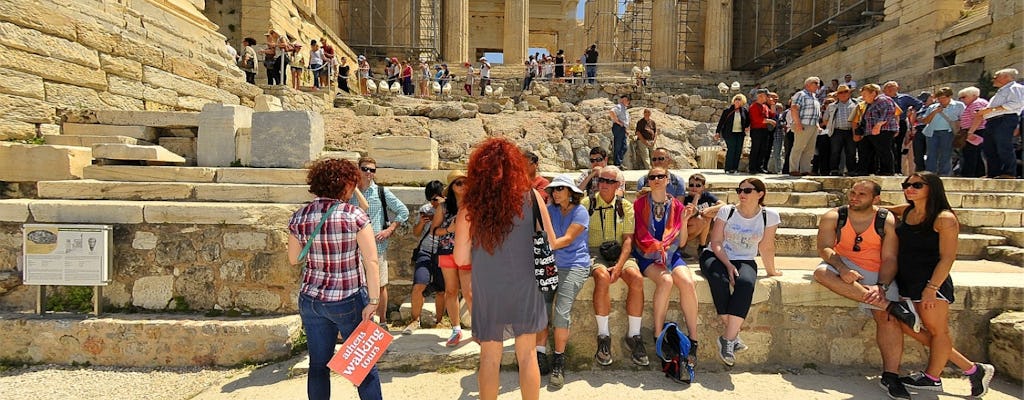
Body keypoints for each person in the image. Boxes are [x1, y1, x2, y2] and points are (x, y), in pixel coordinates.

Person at [453, 137, 551, 400]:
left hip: (489, 287)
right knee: (528, 354)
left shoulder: (470, 208)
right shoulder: (533, 198)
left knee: (489, 357)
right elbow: (549, 242)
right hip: (526, 284)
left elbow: (460, 256)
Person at [886, 172, 996, 398]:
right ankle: (973, 369)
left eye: (917, 185)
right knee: (910, 326)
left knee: (937, 332)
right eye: (906, 184)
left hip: (930, 283)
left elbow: (948, 257)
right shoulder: (907, 211)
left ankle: (933, 377)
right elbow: (884, 210)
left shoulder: (944, 218)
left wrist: (931, 289)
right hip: (906, 280)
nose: (910, 188)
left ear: (932, 188)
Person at [812, 180, 922, 399]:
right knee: (821, 273)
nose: (854, 197)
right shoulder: (835, 216)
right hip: (841, 263)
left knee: (887, 320)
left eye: (862, 194)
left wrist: (882, 286)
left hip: (875, 269)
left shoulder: (885, 219)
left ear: (876, 199)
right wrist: (843, 269)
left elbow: (890, 258)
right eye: (853, 192)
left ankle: (891, 376)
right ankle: (892, 306)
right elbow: (824, 248)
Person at [288, 158, 382, 400]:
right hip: (347, 298)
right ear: (347, 185)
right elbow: (371, 261)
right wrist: (373, 301)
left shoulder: (300, 216)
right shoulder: (354, 216)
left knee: (318, 366)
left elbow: (293, 259)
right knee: (364, 367)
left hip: (311, 299)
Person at [699, 178, 781, 366]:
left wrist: (771, 270)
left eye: (747, 190)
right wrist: (728, 266)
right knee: (719, 278)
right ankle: (733, 336)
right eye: (739, 190)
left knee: (745, 283)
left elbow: (767, 246)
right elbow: (716, 242)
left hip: (745, 259)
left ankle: (727, 338)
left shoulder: (770, 216)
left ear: (760, 194)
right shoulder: (727, 211)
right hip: (716, 255)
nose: (741, 194)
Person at [583, 166, 648, 367]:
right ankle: (604, 336)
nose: (603, 184)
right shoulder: (587, 204)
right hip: (595, 252)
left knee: (636, 279)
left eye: (609, 181)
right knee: (602, 277)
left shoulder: (625, 206)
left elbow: (628, 240)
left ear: (618, 185)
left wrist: (619, 266)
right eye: (601, 180)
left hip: (620, 252)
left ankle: (634, 335)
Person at [632, 166, 699, 362]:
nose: (656, 179)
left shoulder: (677, 207)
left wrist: (685, 221)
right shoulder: (640, 204)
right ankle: (658, 335)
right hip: (648, 254)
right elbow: (641, 235)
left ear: (668, 179)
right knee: (666, 281)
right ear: (648, 181)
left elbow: (683, 242)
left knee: (687, 283)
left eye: (661, 176)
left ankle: (694, 339)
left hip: (670, 254)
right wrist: (658, 247)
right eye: (652, 177)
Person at [536, 174, 591, 388]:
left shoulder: (580, 211)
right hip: (551, 264)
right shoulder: (550, 211)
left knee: (561, 311)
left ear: (571, 192)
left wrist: (542, 246)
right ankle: (540, 355)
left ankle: (559, 360)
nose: (556, 192)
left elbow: (566, 239)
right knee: (542, 307)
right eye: (554, 189)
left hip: (574, 265)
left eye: (560, 189)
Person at [350, 157, 410, 326]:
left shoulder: (380, 192)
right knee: (355, 287)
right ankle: (361, 323)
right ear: (358, 170)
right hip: (353, 247)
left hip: (377, 246)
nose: (369, 173)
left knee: (381, 285)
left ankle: (382, 322)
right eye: (365, 169)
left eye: (372, 170)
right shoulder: (351, 191)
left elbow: (403, 211)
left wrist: (389, 230)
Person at [402, 181, 448, 335]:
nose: (434, 202)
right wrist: (421, 223)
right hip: (426, 251)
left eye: (437, 198)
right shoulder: (425, 210)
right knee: (419, 285)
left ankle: (439, 320)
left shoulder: (451, 209)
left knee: (442, 290)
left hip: (444, 251)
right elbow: (416, 233)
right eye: (431, 199)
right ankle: (415, 320)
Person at [434, 170, 471, 346]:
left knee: (470, 292)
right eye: (458, 183)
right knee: (451, 290)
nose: (463, 186)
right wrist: (450, 229)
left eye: (465, 182)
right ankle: (456, 328)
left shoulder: (473, 205)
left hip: (468, 251)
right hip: (447, 250)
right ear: (451, 188)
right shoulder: (443, 207)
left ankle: (478, 328)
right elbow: (434, 231)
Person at [975, 68, 1024, 178]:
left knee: (1004, 146)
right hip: (993, 121)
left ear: (1006, 77)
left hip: (1005, 119)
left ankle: (1009, 173)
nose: (993, 79)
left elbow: (1016, 103)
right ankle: (993, 173)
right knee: (990, 147)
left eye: (996, 76)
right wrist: (984, 112)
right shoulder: (1000, 91)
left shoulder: (1015, 88)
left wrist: (990, 110)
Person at [917, 87, 965, 176]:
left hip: (948, 132)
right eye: (939, 98)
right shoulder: (932, 107)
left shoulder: (959, 105)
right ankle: (930, 173)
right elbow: (925, 121)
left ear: (950, 96)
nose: (941, 100)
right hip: (932, 132)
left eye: (943, 98)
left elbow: (963, 118)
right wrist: (935, 112)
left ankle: (945, 173)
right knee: (931, 154)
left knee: (946, 153)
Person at [859, 84, 899, 175]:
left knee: (884, 150)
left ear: (873, 93)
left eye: (865, 94)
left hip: (883, 130)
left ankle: (887, 171)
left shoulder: (883, 100)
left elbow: (888, 113)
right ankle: (866, 171)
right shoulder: (870, 104)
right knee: (867, 151)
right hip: (871, 132)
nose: (863, 97)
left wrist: (878, 125)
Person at [884, 81, 924, 174]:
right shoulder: (881, 99)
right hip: (884, 124)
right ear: (884, 90)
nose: (890, 88)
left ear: (897, 88)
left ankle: (897, 169)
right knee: (886, 147)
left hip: (900, 123)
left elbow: (919, 104)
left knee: (897, 147)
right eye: (888, 87)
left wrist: (912, 111)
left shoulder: (904, 98)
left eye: (893, 87)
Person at [682, 173, 724, 255]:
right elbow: (691, 212)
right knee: (703, 219)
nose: (694, 188)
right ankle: (685, 246)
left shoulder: (706, 195)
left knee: (707, 217)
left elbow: (723, 204)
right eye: (691, 185)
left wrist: (709, 209)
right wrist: (696, 197)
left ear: (703, 187)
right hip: (690, 225)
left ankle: (702, 246)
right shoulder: (686, 198)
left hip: (704, 223)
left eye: (698, 185)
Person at [789, 77, 822, 176]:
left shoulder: (814, 96)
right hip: (803, 124)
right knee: (798, 147)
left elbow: (814, 113)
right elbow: (794, 109)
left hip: (813, 126)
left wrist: (817, 125)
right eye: (815, 83)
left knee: (809, 149)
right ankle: (793, 169)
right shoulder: (801, 94)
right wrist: (798, 123)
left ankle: (805, 170)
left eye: (818, 83)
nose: (818, 85)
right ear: (807, 84)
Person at [823, 85, 858, 176]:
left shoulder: (856, 104)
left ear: (849, 93)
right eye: (840, 92)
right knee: (835, 151)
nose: (843, 94)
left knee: (851, 151)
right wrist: (831, 126)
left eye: (845, 91)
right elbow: (825, 119)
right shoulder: (831, 106)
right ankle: (834, 169)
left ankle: (851, 170)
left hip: (851, 131)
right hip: (837, 131)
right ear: (837, 94)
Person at [716, 94, 751, 174]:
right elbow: (721, 122)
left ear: (742, 102)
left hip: (740, 134)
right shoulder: (727, 110)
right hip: (729, 133)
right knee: (731, 150)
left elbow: (748, 121)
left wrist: (747, 126)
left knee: (738, 151)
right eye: (736, 99)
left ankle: (735, 168)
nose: (738, 101)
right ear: (734, 101)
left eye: (739, 100)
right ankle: (728, 168)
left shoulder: (744, 111)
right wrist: (717, 132)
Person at [960, 86, 989, 177]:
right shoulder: (973, 104)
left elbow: (978, 117)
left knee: (970, 154)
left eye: (964, 97)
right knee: (975, 154)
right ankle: (978, 173)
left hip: (976, 130)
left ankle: (969, 174)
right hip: (975, 130)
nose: (962, 99)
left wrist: (970, 132)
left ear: (973, 95)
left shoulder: (977, 103)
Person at [748, 89, 776, 174]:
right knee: (756, 148)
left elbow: (772, 114)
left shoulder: (765, 106)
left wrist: (773, 104)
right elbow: (757, 119)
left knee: (763, 149)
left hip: (764, 130)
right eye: (765, 95)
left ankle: (759, 167)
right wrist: (769, 121)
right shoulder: (754, 106)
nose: (767, 97)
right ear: (760, 96)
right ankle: (752, 168)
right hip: (756, 129)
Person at [768, 93, 787, 174]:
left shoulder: (781, 116)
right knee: (776, 153)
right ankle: (776, 169)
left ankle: (776, 169)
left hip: (780, 136)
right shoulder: (775, 116)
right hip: (775, 135)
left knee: (777, 153)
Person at [609, 95, 631, 167]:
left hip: (622, 129)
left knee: (624, 147)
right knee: (618, 145)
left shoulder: (624, 109)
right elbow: (611, 112)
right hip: (618, 127)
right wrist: (618, 122)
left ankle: (619, 162)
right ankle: (617, 163)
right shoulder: (619, 106)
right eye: (626, 100)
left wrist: (626, 129)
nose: (627, 102)